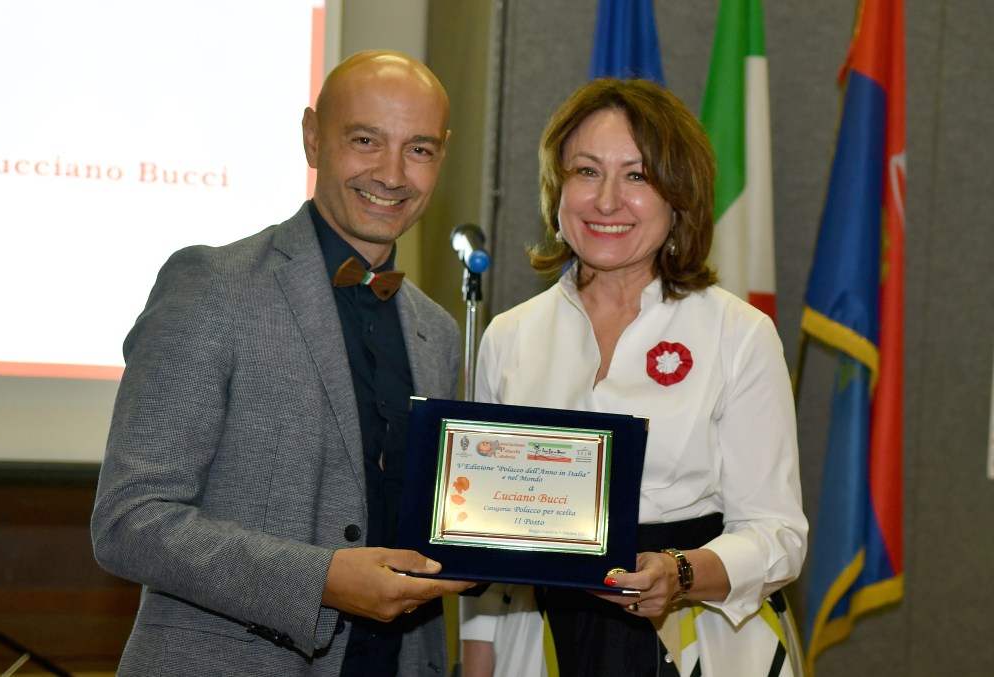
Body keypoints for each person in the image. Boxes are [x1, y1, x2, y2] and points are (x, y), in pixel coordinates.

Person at [91, 50, 475, 676]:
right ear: (312, 137)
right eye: (365, 140)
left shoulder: (437, 332)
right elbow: (130, 521)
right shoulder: (212, 286)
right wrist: (322, 580)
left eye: (419, 149)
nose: (392, 173)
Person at [459, 78, 808, 677]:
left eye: (637, 176)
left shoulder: (739, 334)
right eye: (586, 171)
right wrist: (476, 655)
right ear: (557, 188)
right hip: (539, 637)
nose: (606, 200)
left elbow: (778, 535)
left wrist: (682, 572)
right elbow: (482, 534)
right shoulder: (508, 337)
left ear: (679, 198)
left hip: (698, 634)